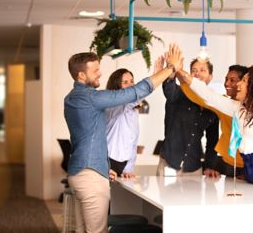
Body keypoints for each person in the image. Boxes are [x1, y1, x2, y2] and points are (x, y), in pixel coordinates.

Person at [64, 44, 183, 233]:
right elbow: (135, 92)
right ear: (81, 76)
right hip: (90, 177)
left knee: (82, 231)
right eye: (95, 71)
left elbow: (91, 136)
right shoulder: (90, 98)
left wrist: (104, 167)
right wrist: (170, 68)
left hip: (79, 172)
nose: (100, 74)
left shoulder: (71, 98)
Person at [178, 65, 253, 192]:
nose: (238, 84)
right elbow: (209, 97)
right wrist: (179, 71)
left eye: (243, 81)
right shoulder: (240, 109)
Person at [156, 58, 220, 178]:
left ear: (210, 77)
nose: (197, 73)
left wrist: (209, 166)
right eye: (194, 70)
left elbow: (212, 141)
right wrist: (171, 73)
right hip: (169, 163)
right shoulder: (179, 93)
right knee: (166, 198)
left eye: (202, 70)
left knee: (194, 197)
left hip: (194, 166)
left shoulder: (212, 105)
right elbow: (169, 90)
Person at [180, 64, 248, 177]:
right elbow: (201, 96)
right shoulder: (223, 103)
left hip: (249, 165)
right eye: (226, 79)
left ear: (243, 83)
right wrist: (180, 76)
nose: (226, 83)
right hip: (230, 164)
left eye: (232, 80)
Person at [105, 68, 140, 178]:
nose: (130, 85)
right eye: (125, 82)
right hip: (107, 162)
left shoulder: (134, 110)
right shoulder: (113, 106)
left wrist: (128, 168)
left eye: (132, 81)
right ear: (116, 86)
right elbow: (136, 96)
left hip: (123, 164)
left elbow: (133, 141)